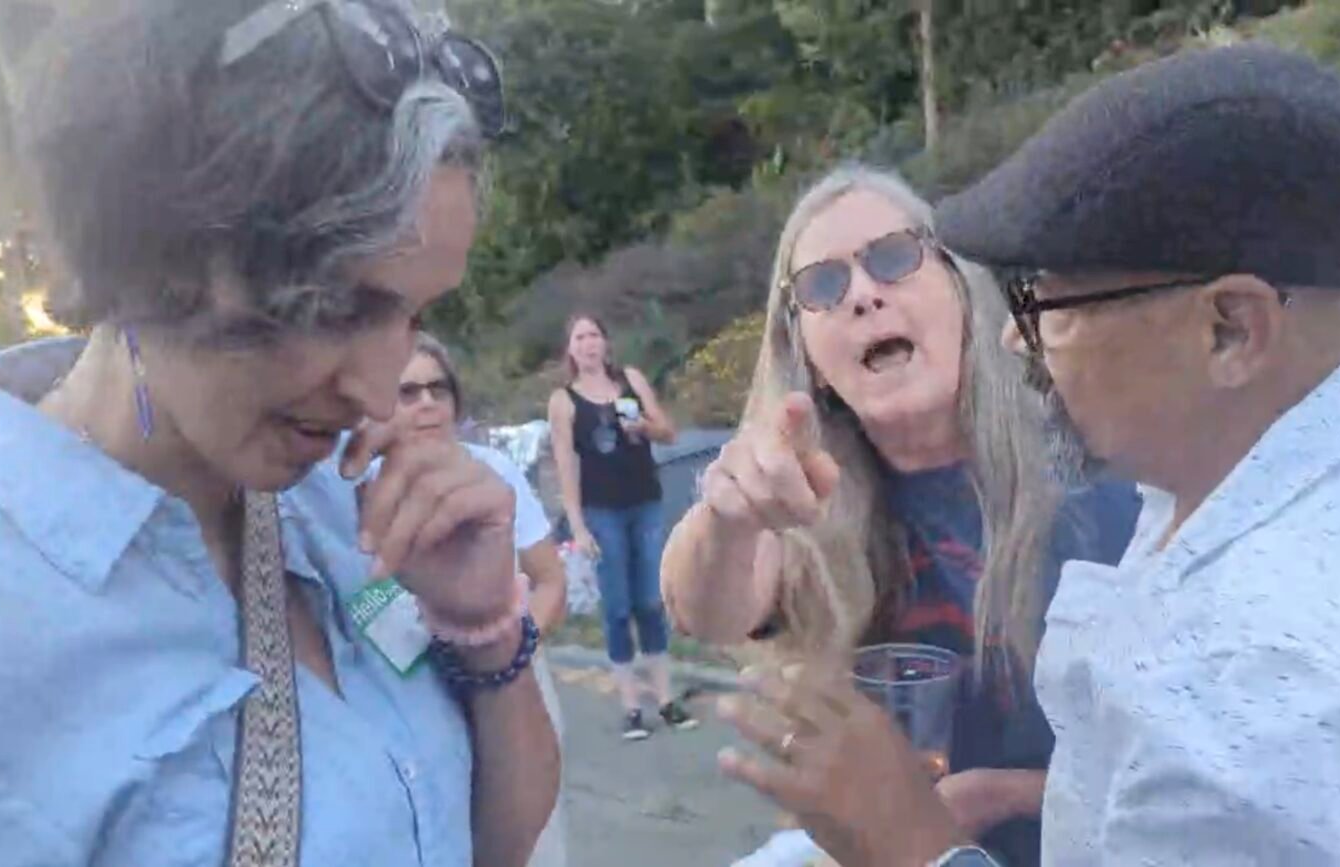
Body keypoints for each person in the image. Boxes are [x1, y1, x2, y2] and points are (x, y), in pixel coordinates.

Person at [0, 2, 559, 866]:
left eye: (416, 316)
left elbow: (497, 844)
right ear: (156, 254)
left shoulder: (344, 505)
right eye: (341, 307)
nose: (382, 392)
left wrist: (485, 628)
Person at [713, 44, 1340, 867]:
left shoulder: (1254, 700)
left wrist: (910, 842)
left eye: (1044, 298)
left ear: (1230, 330)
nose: (1016, 335)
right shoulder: (1267, 482)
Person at [660, 164, 1139, 866]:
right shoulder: (807, 491)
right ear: (809, 356)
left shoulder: (1094, 470)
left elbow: (1197, 765)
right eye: (823, 285)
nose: (861, 295)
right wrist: (728, 516)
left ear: (959, 291)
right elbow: (704, 609)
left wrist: (1009, 793)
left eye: (893, 258)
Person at [397, 331, 570, 867]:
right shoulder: (354, 489)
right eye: (406, 392)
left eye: (437, 388)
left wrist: (506, 655)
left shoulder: (492, 472)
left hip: (508, 683)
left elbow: (551, 582)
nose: (426, 402)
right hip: (412, 696)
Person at [547, 313, 698, 739]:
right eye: (580, 337)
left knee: (651, 601)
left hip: (645, 502)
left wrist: (644, 427)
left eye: (595, 334)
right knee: (617, 608)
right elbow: (566, 464)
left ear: (606, 343)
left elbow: (668, 433)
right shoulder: (563, 400)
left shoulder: (630, 379)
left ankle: (666, 700)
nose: (589, 343)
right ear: (570, 349)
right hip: (601, 511)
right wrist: (576, 525)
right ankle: (631, 707)